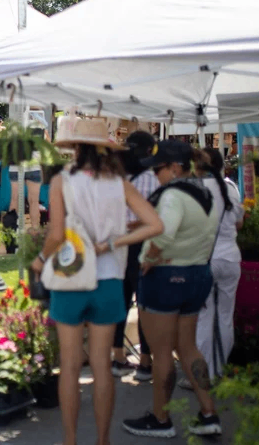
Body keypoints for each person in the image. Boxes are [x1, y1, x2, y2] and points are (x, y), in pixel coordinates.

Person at [30, 118, 164, 445]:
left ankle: (70, 440)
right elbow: (155, 224)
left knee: (72, 365)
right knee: (103, 366)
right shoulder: (120, 183)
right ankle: (103, 441)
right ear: (105, 149)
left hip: (71, 278)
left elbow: (57, 234)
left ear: (74, 148)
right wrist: (114, 242)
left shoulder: (63, 182)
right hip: (108, 281)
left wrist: (40, 261)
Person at [122, 140, 223, 438]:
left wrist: (148, 260)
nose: (155, 175)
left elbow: (163, 233)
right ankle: (209, 413)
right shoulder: (204, 191)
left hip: (166, 278)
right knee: (188, 346)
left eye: (159, 169)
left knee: (161, 351)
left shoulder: (173, 196)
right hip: (197, 274)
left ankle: (160, 419)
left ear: (175, 167)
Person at [191, 147, 243, 384]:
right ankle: (221, 370)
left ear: (200, 166)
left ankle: (204, 375)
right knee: (225, 316)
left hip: (206, 259)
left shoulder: (197, 189)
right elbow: (239, 224)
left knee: (204, 317)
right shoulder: (231, 188)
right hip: (231, 258)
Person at [114, 131, 159, 380]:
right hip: (142, 245)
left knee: (121, 302)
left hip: (119, 245)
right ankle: (145, 361)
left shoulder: (119, 177)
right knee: (143, 304)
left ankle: (118, 357)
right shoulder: (150, 180)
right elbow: (150, 218)